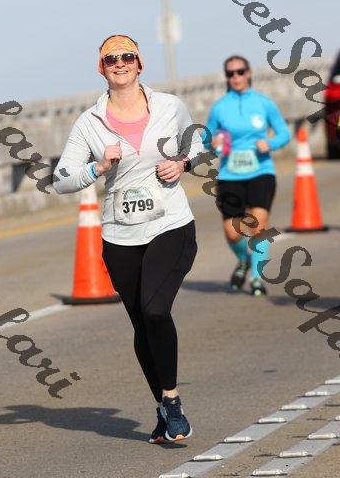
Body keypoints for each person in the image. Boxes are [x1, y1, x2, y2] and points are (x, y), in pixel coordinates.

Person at [53, 34, 204, 443]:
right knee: (141, 323)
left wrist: (183, 162)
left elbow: (199, 141)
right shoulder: (89, 122)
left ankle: (172, 400)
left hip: (170, 224)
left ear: (140, 64)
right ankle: (163, 408)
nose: (119, 63)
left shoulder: (170, 106)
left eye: (127, 56)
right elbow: (61, 179)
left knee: (155, 310)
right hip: (119, 236)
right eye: (111, 58)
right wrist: (98, 168)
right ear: (100, 68)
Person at [204, 55, 290, 296]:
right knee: (232, 232)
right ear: (226, 77)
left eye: (240, 71)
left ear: (249, 73)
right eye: (230, 73)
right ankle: (244, 260)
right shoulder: (220, 107)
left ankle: (257, 278)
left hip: (261, 171)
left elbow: (284, 133)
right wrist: (213, 142)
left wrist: (270, 144)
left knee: (258, 227)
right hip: (230, 174)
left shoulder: (264, 103)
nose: (236, 77)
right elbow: (206, 138)